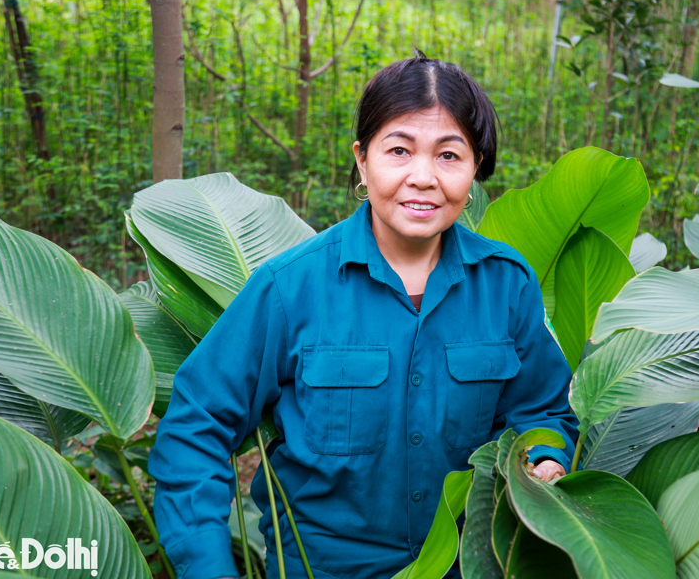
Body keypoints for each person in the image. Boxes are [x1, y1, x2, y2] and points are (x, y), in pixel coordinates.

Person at [147, 52, 580, 579]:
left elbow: (542, 412)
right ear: (362, 159)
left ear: (476, 168)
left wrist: (545, 455)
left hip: (467, 565)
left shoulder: (507, 284)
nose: (423, 178)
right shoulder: (291, 287)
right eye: (399, 150)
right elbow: (198, 423)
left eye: (449, 155)